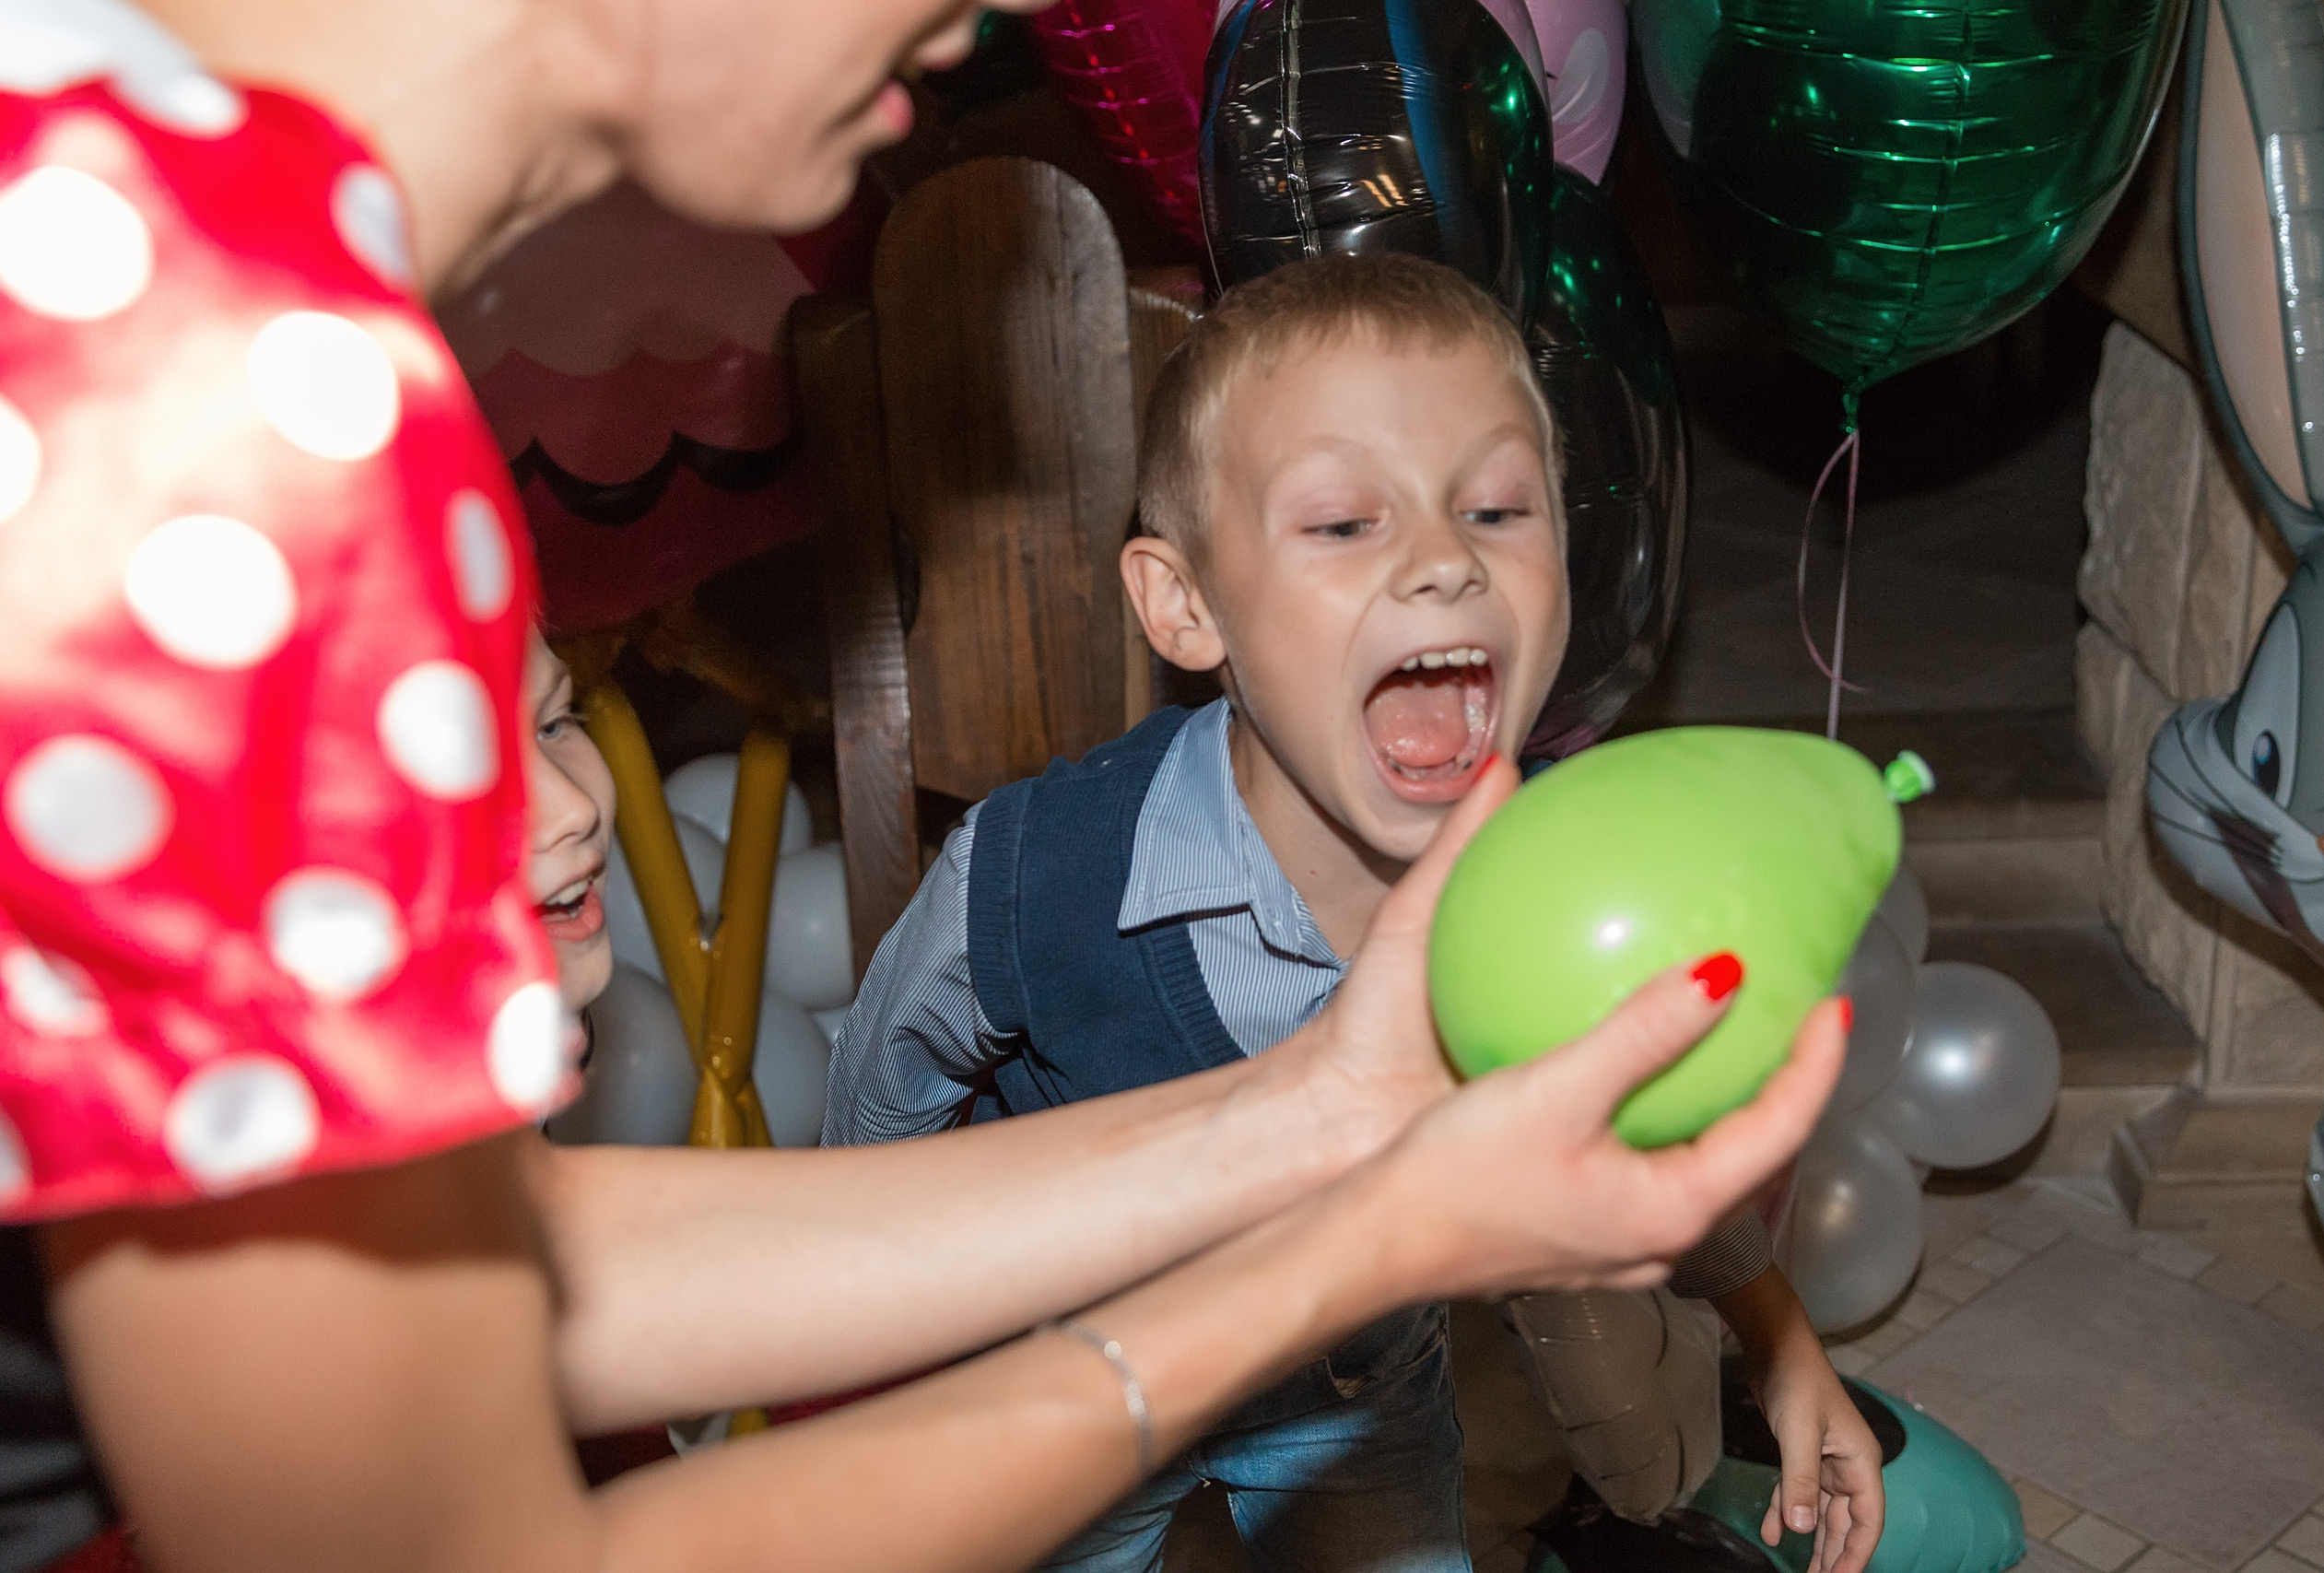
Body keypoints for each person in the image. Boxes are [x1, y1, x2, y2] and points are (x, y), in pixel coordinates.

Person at [0, 1, 1849, 1570]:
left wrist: (1314, 1118)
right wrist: (1341, 1250)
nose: (1001, 14)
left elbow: (504, 1271)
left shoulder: (169, 260)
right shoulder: (192, 419)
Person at [825, 254, 1883, 1573]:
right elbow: (877, 1109)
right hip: (1066, 1379)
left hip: (1353, 1393)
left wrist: (1777, 1337)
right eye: (1342, 523)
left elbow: (1641, 1114)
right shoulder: (1035, 876)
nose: (1444, 560)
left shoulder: (1567, 878)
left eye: (1497, 507)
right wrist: (884, 1343)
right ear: (1186, 605)